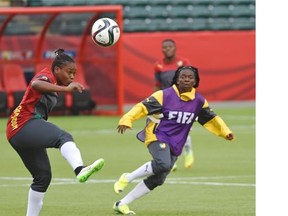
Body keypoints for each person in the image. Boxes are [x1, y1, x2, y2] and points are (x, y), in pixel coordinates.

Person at [112, 65, 235, 215]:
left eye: (190, 77)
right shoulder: (163, 95)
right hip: (157, 135)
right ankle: (127, 177)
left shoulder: (199, 101)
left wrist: (225, 132)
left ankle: (122, 204)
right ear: (176, 79)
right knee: (163, 164)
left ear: (196, 81)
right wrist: (127, 119)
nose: (186, 79)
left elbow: (211, 119)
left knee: (159, 179)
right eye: (183, 76)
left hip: (177, 142)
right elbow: (142, 107)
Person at [6, 48, 105, 216]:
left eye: (74, 73)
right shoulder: (47, 76)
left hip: (17, 131)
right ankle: (80, 169)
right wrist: (67, 90)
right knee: (64, 137)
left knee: (42, 177)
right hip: (23, 124)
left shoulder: (55, 80)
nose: (72, 77)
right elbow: (36, 84)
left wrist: (59, 59)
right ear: (57, 70)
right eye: (69, 72)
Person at [154, 38, 194, 170]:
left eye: (170, 46)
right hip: (167, 102)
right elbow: (157, 86)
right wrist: (156, 103)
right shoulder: (158, 65)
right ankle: (172, 160)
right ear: (161, 49)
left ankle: (188, 151)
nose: (167, 49)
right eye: (165, 47)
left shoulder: (184, 63)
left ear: (175, 48)